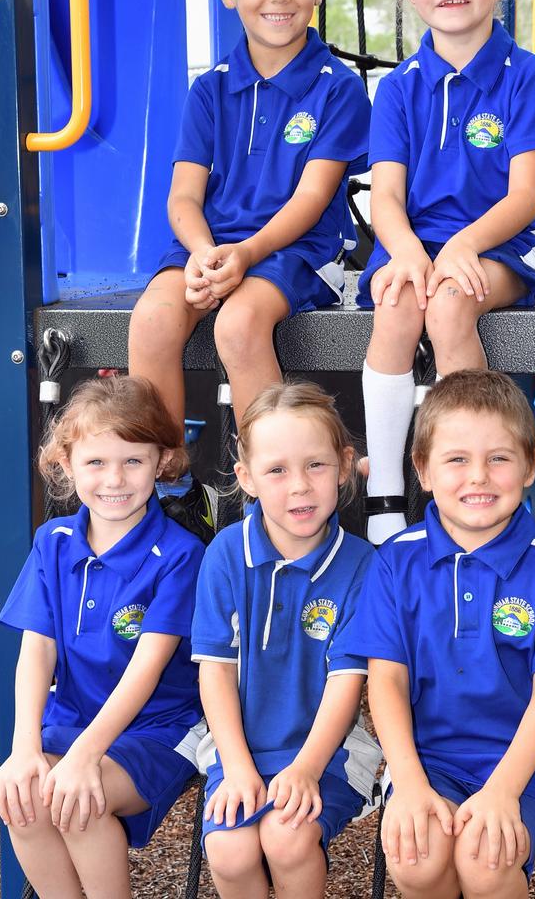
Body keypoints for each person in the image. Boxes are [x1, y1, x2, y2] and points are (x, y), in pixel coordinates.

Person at [341, 370, 535, 898]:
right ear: (422, 469)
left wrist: (502, 792)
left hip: (531, 762)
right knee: (417, 861)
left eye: (499, 458)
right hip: (428, 759)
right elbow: (386, 685)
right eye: (457, 459)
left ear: (531, 465)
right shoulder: (396, 563)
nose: (479, 477)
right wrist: (412, 786)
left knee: (486, 860)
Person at [358, 0, 535, 545]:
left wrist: (459, 246)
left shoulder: (526, 76)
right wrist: (404, 253)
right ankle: (386, 490)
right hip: (416, 245)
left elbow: (524, 195)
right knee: (398, 304)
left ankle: (467, 480)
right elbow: (387, 197)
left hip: (502, 244)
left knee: (450, 308)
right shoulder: (399, 86)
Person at [128, 0, 371, 441]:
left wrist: (245, 255)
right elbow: (184, 198)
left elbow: (311, 200)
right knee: (151, 321)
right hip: (211, 246)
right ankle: (170, 487)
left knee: (238, 326)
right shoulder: (210, 88)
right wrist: (203, 253)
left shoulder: (339, 87)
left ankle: (270, 484)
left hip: (298, 248)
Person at [0, 376, 207, 899]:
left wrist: (87, 756)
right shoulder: (53, 542)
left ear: (161, 462)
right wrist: (23, 749)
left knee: (75, 801)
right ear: (66, 465)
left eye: (133, 461)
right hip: (71, 719)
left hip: (158, 728)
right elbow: (36, 652)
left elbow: (146, 670)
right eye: (95, 462)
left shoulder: (179, 555)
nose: (115, 478)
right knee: (17, 793)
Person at [191, 382, 381, 899]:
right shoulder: (226, 555)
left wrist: (304, 768)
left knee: (288, 837)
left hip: (325, 750)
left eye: (315, 466)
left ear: (344, 466)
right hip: (239, 745)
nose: (299, 486)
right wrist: (235, 767)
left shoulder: (362, 566)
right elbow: (215, 669)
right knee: (230, 852)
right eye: (277, 470)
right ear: (247, 479)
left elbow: (347, 681)